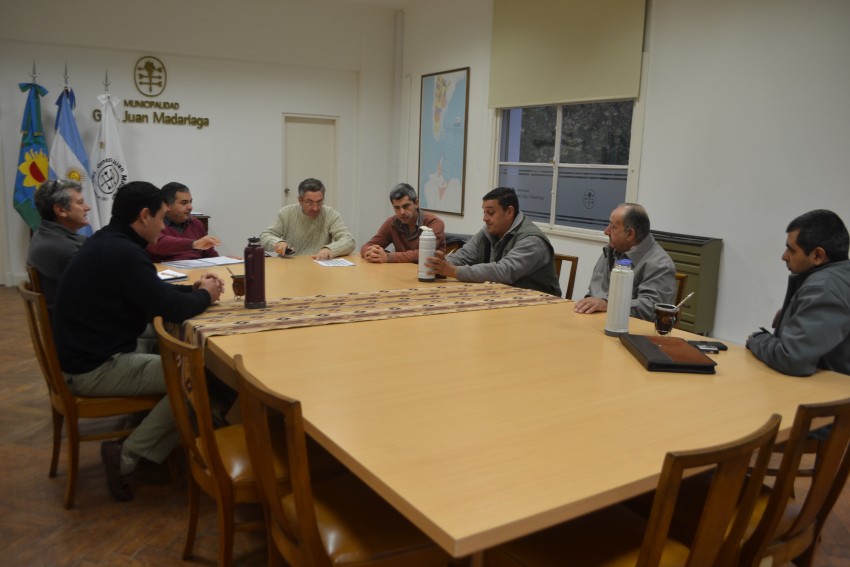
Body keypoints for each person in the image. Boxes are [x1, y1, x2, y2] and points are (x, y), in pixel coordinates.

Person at [52, 181, 224, 501]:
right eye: (160, 217)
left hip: (89, 351)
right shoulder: (123, 252)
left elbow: (153, 293)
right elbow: (169, 307)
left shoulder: (109, 241)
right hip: (93, 368)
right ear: (144, 216)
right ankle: (127, 456)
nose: (163, 226)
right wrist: (205, 295)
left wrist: (194, 291)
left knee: (170, 346)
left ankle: (159, 423)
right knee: (195, 377)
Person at [747, 209, 850, 377]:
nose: (784, 256)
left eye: (791, 250)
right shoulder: (839, 278)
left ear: (817, 255)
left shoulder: (824, 289)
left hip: (832, 395)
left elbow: (792, 359)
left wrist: (757, 340)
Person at [425, 187, 561, 296]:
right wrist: (442, 265)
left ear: (509, 212)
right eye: (484, 212)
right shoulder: (488, 232)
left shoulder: (532, 241)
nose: (485, 218)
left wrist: (453, 271)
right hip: (504, 298)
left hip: (539, 308)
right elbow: (465, 255)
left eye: (490, 213)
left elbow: (503, 272)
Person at [574, 203, 676, 321]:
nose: (606, 231)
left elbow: (651, 308)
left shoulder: (660, 264)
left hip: (632, 331)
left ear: (630, 234)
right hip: (598, 322)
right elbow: (594, 292)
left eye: (612, 227)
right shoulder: (612, 250)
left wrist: (608, 304)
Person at [26, 179, 90, 311]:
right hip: (77, 325)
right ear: (60, 210)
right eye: (80, 202)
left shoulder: (42, 234)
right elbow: (99, 293)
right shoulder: (65, 249)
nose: (87, 207)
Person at [259, 177, 355, 260]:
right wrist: (277, 243)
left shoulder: (331, 214)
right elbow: (264, 237)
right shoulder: (286, 213)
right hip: (290, 267)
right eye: (310, 203)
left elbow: (349, 241)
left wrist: (329, 249)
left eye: (319, 202)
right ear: (300, 200)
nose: (315, 208)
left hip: (319, 266)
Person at [360, 182, 446, 263]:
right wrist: (370, 253)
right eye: (397, 208)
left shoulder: (434, 223)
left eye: (406, 206)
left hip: (430, 274)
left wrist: (388, 257)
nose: (402, 212)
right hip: (401, 272)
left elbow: (424, 253)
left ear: (416, 203)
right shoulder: (392, 223)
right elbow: (368, 245)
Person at [146, 181, 220, 262]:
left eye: (190, 202)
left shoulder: (196, 223)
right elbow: (159, 244)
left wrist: (226, 261)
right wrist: (194, 244)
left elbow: (208, 252)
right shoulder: (155, 223)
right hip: (169, 272)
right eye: (184, 203)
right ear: (167, 205)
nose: (190, 207)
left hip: (198, 270)